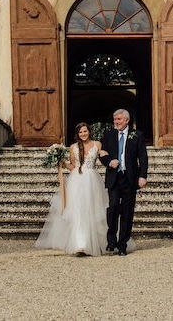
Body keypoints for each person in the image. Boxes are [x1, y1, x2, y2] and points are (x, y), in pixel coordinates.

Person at [34, 122, 108, 256]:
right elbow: (73, 166)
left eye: (85, 131)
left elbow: (102, 159)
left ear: (89, 132)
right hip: (76, 180)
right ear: (77, 134)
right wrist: (61, 161)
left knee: (91, 209)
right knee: (78, 211)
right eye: (81, 132)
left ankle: (93, 242)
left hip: (92, 180)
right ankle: (80, 244)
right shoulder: (73, 147)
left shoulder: (97, 144)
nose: (83, 134)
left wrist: (107, 155)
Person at [99, 108, 148, 256]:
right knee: (113, 208)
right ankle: (111, 240)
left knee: (127, 213)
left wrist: (143, 176)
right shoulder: (108, 134)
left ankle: (122, 245)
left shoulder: (137, 135)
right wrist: (109, 162)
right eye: (115, 120)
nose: (116, 122)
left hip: (130, 178)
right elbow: (102, 154)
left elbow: (143, 157)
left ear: (126, 120)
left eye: (119, 119)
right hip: (114, 178)